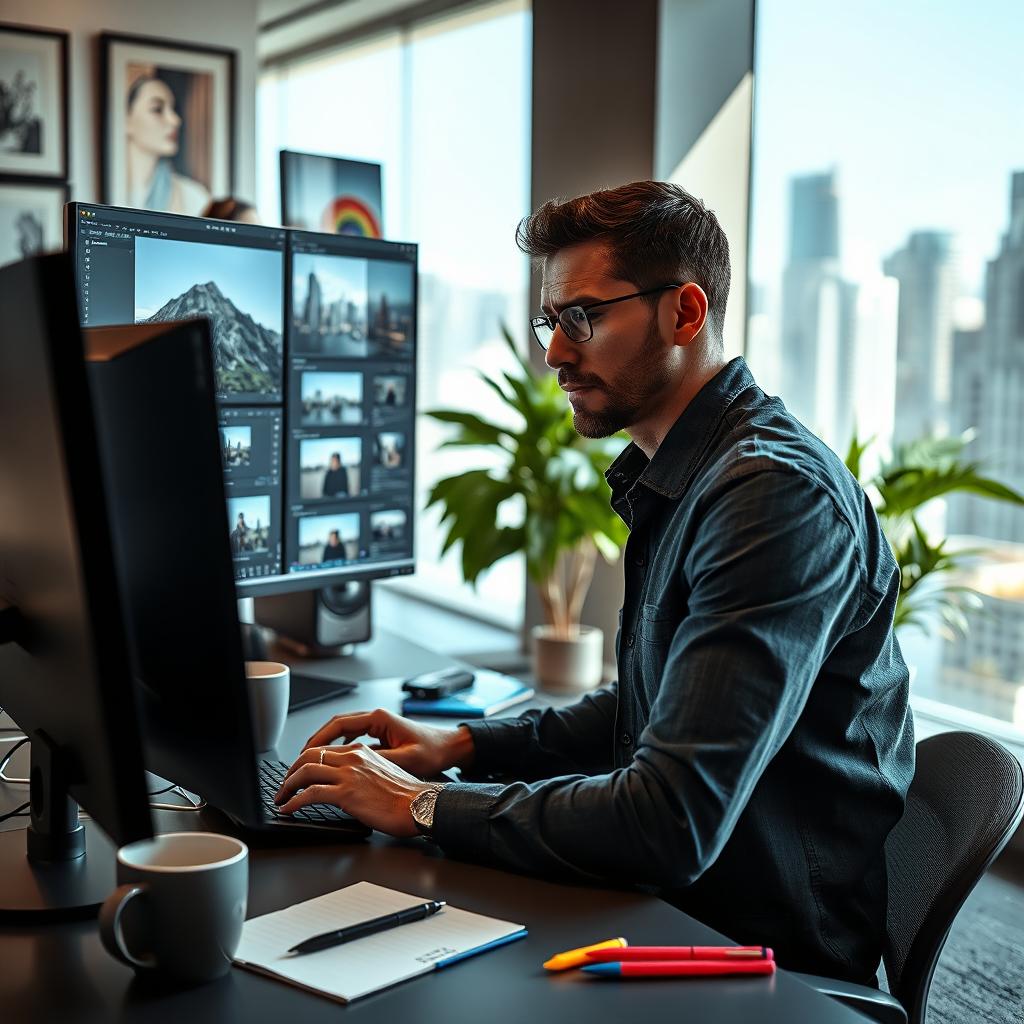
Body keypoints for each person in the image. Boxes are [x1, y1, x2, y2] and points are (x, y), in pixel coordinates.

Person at [273, 181, 914, 985]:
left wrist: (422, 805)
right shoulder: (692, 472)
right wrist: (464, 744)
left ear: (685, 313)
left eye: (582, 317)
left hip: (757, 955)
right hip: (676, 903)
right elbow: (653, 697)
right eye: (552, 320)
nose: (554, 352)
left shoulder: (773, 498)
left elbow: (668, 819)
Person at [125, 73, 210, 216]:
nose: (175, 120)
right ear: (126, 119)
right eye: (157, 109)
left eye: (173, 109)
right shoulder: (108, 193)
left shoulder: (194, 197)